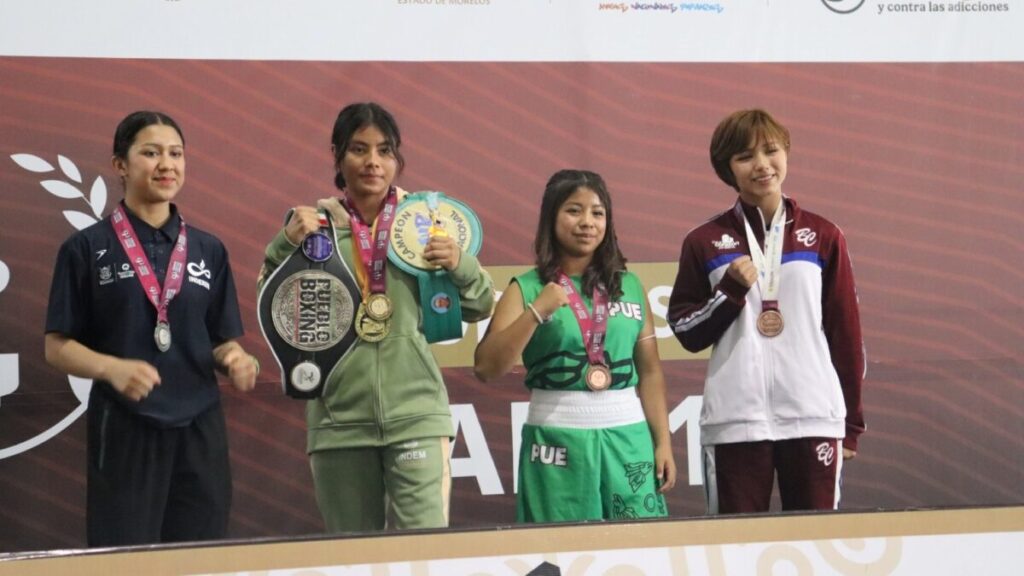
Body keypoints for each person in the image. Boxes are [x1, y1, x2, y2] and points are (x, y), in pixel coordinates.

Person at [258, 102, 495, 532]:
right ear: (337, 155)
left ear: (397, 159)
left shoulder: (424, 222)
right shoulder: (313, 230)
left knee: (424, 554)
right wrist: (281, 246)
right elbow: (273, 312)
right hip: (338, 422)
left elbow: (480, 304)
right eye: (359, 149)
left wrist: (460, 261)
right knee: (353, 559)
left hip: (417, 415)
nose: (372, 162)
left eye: (384, 151)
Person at [44, 110, 258, 546]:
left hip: (200, 426)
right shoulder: (86, 248)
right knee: (125, 556)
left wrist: (235, 357)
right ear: (120, 164)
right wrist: (111, 368)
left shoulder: (208, 249)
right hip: (126, 424)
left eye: (176, 154)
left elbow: (218, 339)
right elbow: (56, 346)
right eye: (151, 152)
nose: (167, 164)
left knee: (204, 553)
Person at [667, 108, 865, 514]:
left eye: (771, 151)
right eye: (745, 157)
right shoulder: (704, 240)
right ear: (728, 169)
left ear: (786, 154)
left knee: (817, 546)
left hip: (813, 416)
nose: (761, 165)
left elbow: (845, 334)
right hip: (735, 421)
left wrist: (849, 426)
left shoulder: (824, 235)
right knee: (735, 551)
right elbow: (687, 331)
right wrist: (730, 292)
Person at [474, 169, 676, 523]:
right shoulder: (526, 288)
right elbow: (487, 368)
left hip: (629, 439)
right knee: (558, 554)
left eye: (597, 213)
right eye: (573, 210)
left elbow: (651, 372)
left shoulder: (630, 285)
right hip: (555, 440)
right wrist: (536, 311)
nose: (587, 222)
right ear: (551, 217)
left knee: (638, 552)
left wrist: (662, 442)